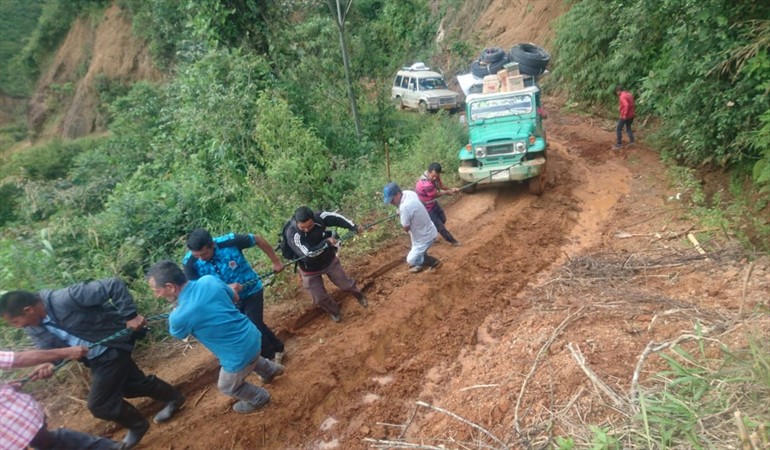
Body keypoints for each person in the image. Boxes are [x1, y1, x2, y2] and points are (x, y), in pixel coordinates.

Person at [0, 279, 185, 450]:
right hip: (94, 359)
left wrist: (131, 316)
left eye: (16, 321)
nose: (18, 326)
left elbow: (113, 284)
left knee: (100, 404)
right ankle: (174, 397)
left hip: (111, 347)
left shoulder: (64, 298)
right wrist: (48, 363)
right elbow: (47, 349)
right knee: (129, 386)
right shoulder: (33, 326)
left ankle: (138, 425)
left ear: (28, 310)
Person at [146, 260, 285, 414]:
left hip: (239, 354)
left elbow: (179, 334)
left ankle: (260, 398)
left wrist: (176, 309)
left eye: (156, 290)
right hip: (252, 334)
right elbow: (235, 297)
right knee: (249, 357)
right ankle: (271, 370)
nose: (156, 295)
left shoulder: (178, 316)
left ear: (170, 287)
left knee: (227, 386)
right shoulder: (208, 280)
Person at [183, 229, 286, 363]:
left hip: (251, 290)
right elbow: (197, 289)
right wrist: (224, 289)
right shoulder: (189, 263)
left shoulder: (230, 241)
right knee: (252, 324)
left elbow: (257, 239)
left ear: (212, 244)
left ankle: (269, 357)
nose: (201, 258)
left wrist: (276, 262)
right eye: (197, 256)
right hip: (227, 301)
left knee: (252, 326)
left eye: (204, 254)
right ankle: (278, 348)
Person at [1, 347, 127, 450]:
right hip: (16, 420)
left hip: (11, 425)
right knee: (48, 441)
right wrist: (66, 352)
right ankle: (107, 447)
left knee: (46, 441)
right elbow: (18, 359)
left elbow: (18, 359)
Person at [284, 206, 367, 323]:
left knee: (346, 285)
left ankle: (359, 295)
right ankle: (334, 311)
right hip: (309, 269)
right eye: (303, 228)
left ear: (314, 219)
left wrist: (353, 227)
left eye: (310, 226)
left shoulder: (320, 217)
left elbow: (337, 218)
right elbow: (308, 255)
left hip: (328, 260)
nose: (307, 230)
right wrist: (326, 242)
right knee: (318, 298)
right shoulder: (292, 234)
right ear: (296, 223)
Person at [383, 182, 441, 273]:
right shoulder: (408, 193)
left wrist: (402, 214)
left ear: (398, 194)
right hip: (427, 229)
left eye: (392, 200)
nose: (391, 203)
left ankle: (435, 263)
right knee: (419, 251)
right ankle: (420, 263)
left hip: (424, 236)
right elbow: (419, 204)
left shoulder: (404, 207)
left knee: (411, 259)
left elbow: (406, 228)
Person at [415, 162, 461, 246]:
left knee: (443, 219)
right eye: (433, 176)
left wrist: (452, 189)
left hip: (433, 203)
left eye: (436, 176)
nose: (434, 178)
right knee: (441, 227)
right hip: (427, 207)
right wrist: (447, 192)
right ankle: (453, 241)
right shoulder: (425, 183)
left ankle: (431, 235)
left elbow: (441, 186)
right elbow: (434, 194)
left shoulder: (435, 176)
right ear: (428, 172)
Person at [614, 84, 635, 149]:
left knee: (618, 129)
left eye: (617, 92)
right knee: (628, 127)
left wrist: (624, 114)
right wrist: (620, 107)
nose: (617, 94)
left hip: (625, 116)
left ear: (619, 91)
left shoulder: (622, 96)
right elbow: (631, 104)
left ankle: (619, 144)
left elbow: (626, 105)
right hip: (631, 115)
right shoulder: (629, 94)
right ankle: (632, 142)